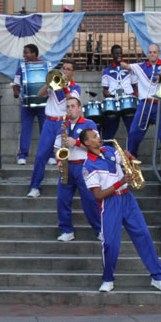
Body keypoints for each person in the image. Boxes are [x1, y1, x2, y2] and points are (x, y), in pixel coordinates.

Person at [80, 128, 161, 293]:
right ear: (87, 143)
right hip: (110, 203)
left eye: (98, 135)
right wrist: (121, 181)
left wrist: (130, 159)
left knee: (143, 235)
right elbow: (98, 195)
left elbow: (125, 162)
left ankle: (158, 278)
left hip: (127, 198)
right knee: (110, 243)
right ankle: (108, 279)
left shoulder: (109, 150)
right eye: (94, 137)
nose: (99, 137)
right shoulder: (88, 165)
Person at [27, 59, 79, 199]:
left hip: (64, 124)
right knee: (40, 156)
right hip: (49, 122)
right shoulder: (54, 84)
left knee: (65, 157)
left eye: (68, 69)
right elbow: (39, 95)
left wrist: (64, 87)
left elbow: (72, 102)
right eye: (64, 68)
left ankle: (69, 186)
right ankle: (35, 186)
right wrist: (49, 83)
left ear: (73, 72)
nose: (65, 71)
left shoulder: (75, 87)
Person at [54, 96, 102, 242]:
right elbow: (57, 147)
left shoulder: (89, 124)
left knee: (90, 200)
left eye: (73, 106)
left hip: (84, 166)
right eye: (68, 106)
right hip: (67, 165)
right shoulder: (63, 124)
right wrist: (58, 160)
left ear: (80, 108)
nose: (70, 109)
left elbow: (97, 147)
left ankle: (100, 230)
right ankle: (66, 230)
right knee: (62, 200)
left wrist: (76, 142)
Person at [125, 44, 161, 160]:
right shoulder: (141, 66)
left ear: (158, 54)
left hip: (160, 105)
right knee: (134, 132)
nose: (152, 54)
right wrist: (119, 61)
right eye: (150, 52)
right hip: (145, 104)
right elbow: (127, 66)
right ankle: (132, 159)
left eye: (154, 52)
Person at [11, 44, 46, 165]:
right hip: (26, 103)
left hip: (43, 104)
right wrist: (16, 91)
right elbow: (16, 83)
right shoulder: (21, 66)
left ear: (34, 53)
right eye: (24, 52)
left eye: (26, 52)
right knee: (25, 129)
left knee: (45, 130)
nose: (24, 55)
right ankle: (22, 155)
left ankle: (49, 155)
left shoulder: (44, 65)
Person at [100, 44, 135, 141]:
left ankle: (132, 153)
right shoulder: (107, 71)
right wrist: (107, 93)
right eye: (116, 54)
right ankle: (108, 152)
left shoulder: (129, 68)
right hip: (113, 103)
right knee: (109, 131)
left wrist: (134, 97)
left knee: (132, 130)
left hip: (128, 102)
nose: (118, 55)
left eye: (120, 53)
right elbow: (104, 90)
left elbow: (135, 86)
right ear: (112, 55)